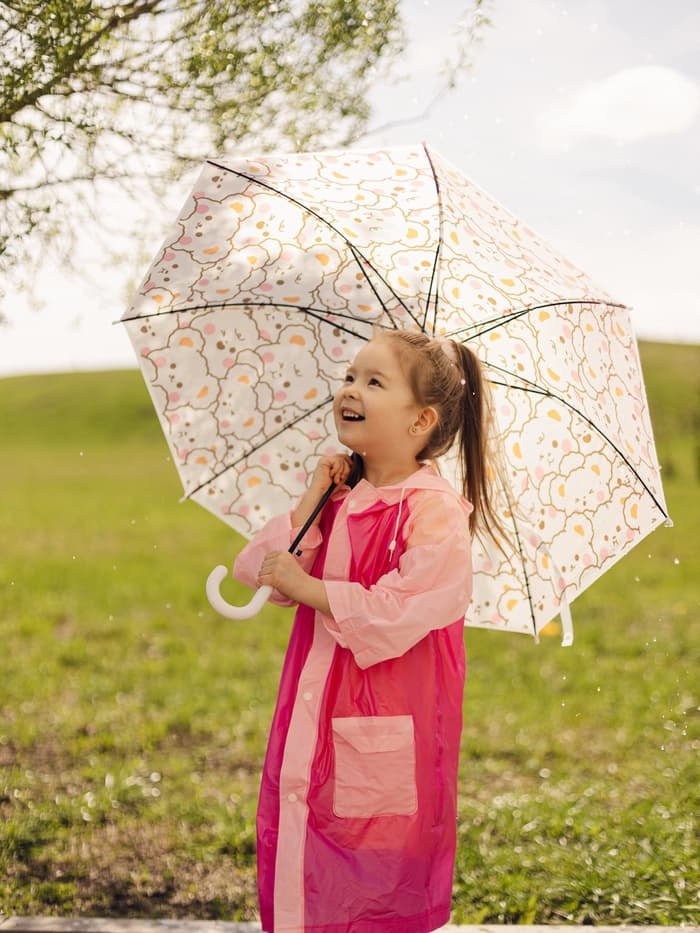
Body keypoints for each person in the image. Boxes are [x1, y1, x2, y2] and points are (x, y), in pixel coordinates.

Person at [233, 329, 502, 933]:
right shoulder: (338, 494)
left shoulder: (430, 510)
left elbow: (407, 607)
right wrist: (312, 498)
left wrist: (316, 592)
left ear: (420, 420)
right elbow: (262, 572)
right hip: (316, 708)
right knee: (305, 846)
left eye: (373, 382)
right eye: (351, 376)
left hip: (384, 721)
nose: (350, 390)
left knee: (372, 870)